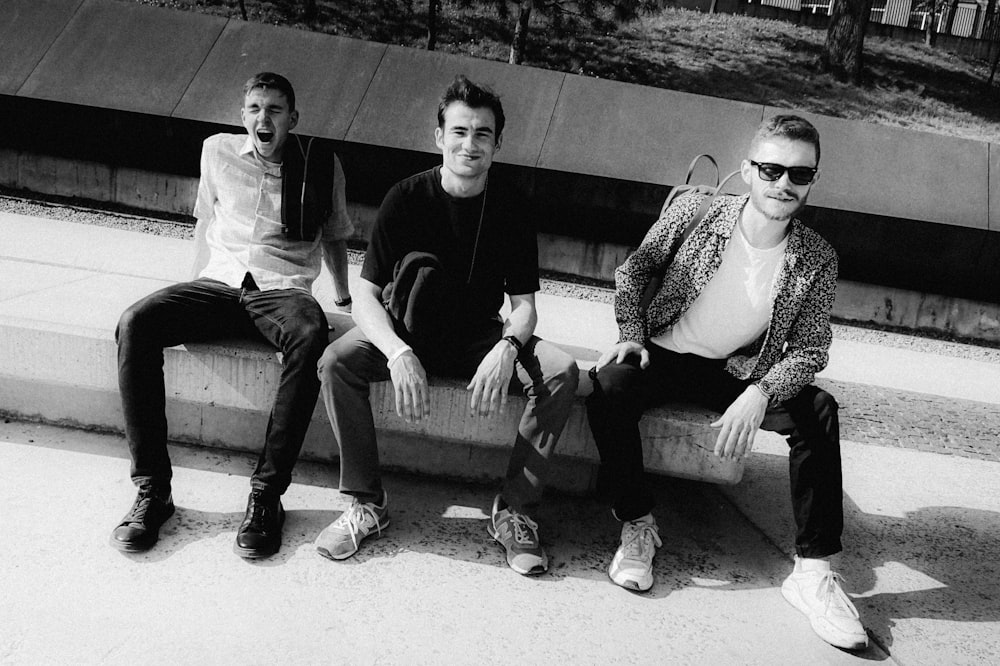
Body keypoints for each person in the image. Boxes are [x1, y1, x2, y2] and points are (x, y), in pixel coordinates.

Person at [586, 115, 867, 650]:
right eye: (771, 169)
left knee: (818, 411)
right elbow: (634, 270)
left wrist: (760, 394)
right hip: (664, 353)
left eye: (799, 175)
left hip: (739, 372)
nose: (783, 183)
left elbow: (810, 348)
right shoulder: (697, 211)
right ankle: (638, 522)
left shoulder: (817, 257)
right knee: (607, 389)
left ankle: (812, 572)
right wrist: (631, 334)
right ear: (747, 170)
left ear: (812, 181)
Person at [314, 75, 579, 576]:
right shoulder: (405, 197)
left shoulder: (513, 206)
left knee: (563, 371)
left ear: (497, 144)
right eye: (459, 131)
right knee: (336, 362)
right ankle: (366, 503)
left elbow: (524, 306)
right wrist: (396, 351)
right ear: (439, 136)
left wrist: (505, 348)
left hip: (480, 336)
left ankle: (515, 512)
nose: (469, 144)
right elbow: (366, 297)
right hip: (406, 330)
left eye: (482, 134)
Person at [110, 72, 354, 559]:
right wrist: (191, 288)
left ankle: (266, 495)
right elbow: (206, 218)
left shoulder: (321, 165)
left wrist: (345, 302)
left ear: (293, 118)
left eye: (275, 110)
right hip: (219, 282)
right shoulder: (216, 150)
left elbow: (335, 236)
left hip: (281, 288)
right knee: (136, 321)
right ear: (243, 115)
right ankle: (153, 490)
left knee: (311, 336)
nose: (264, 119)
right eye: (255, 109)